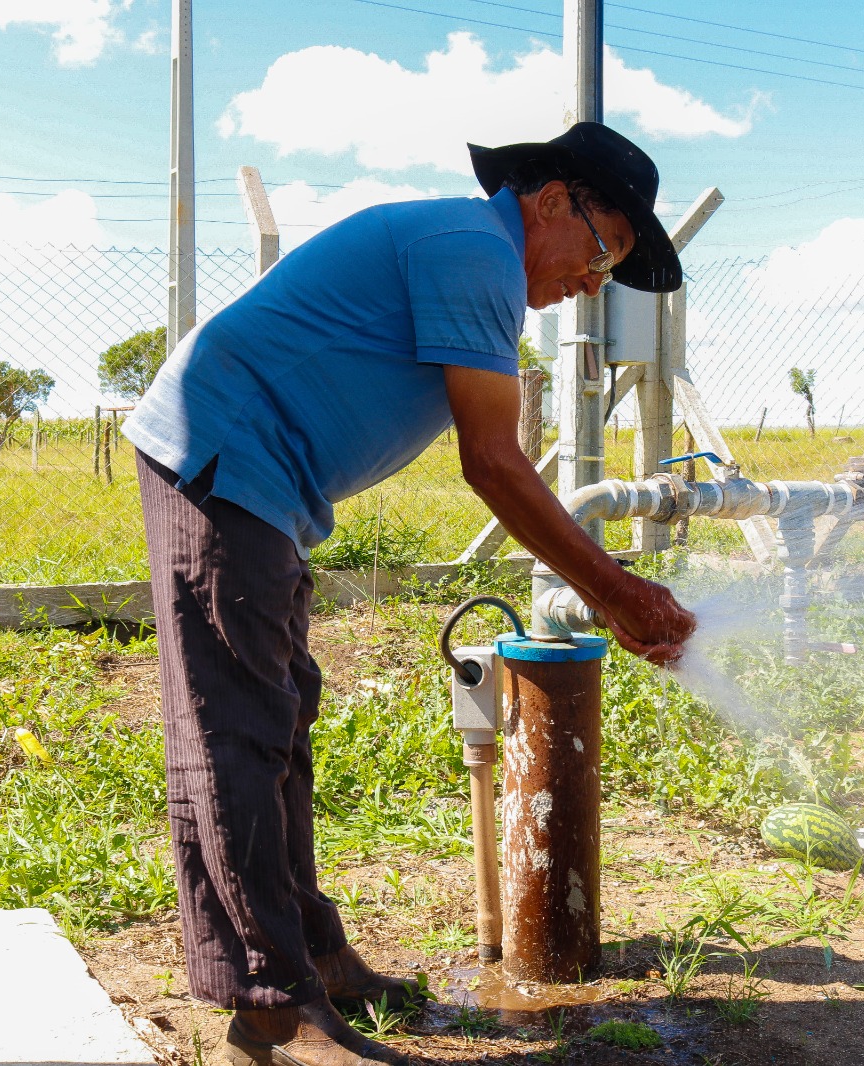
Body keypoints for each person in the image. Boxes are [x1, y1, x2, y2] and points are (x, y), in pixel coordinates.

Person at [122, 121, 697, 1066]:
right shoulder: (475, 254)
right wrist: (616, 592)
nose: (595, 283)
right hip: (221, 454)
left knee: (280, 714)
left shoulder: (472, 258)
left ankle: (309, 952)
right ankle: (269, 1005)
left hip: (260, 477)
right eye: (603, 253)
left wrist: (613, 590)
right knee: (234, 730)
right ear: (553, 202)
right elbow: (495, 464)